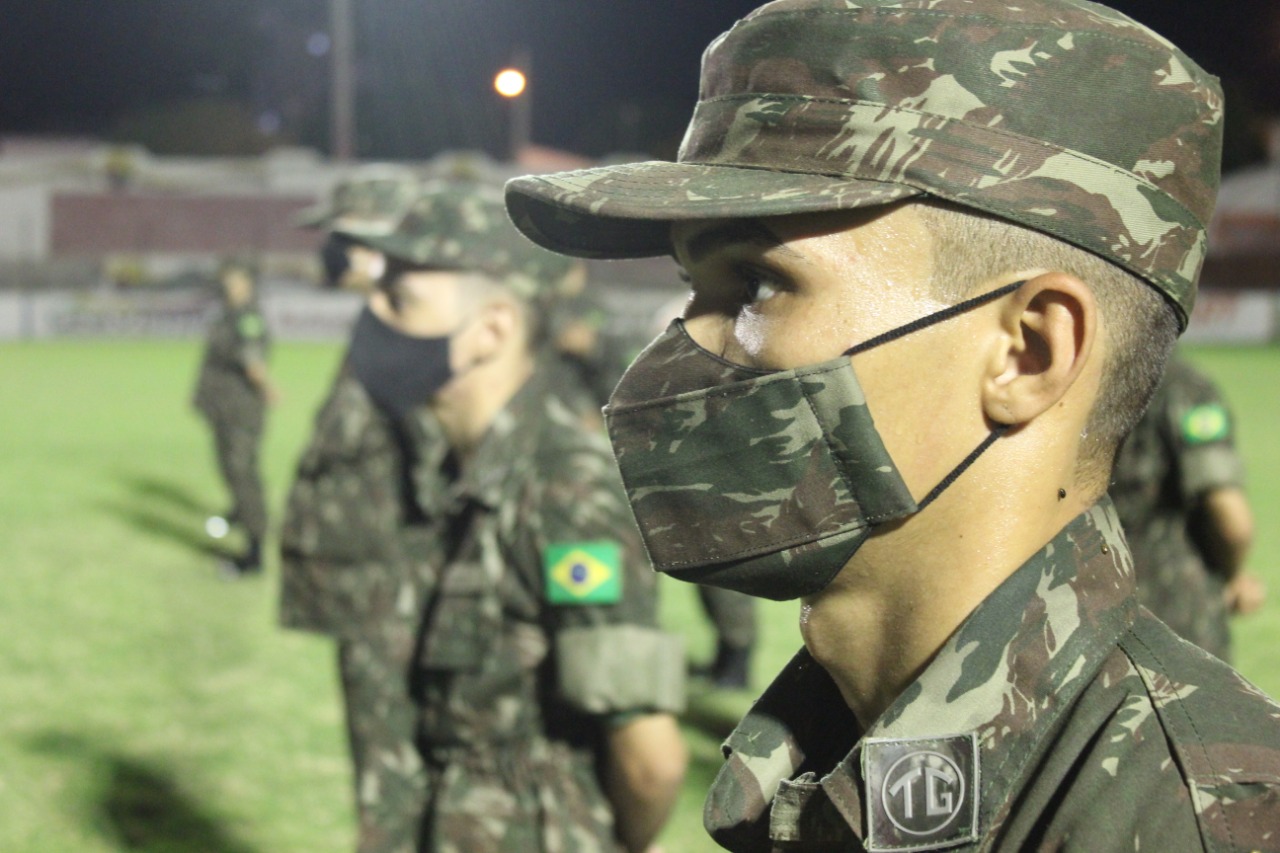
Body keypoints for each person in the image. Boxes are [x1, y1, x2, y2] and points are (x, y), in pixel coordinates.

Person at [504, 1, 1280, 849]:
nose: (675, 351)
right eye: (693, 287)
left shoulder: (1204, 820)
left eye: (756, 285)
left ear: (1027, 353)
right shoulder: (833, 746)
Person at [336, 179, 688, 853]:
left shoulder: (563, 486)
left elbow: (651, 759)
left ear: (491, 329)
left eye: (400, 298)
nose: (373, 315)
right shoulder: (446, 467)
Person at [278, 167, 427, 852]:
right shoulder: (387, 325)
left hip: (396, 593)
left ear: (374, 242)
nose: (328, 254)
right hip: (371, 587)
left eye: (338, 238)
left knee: (394, 779)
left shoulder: (416, 339)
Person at [1111, 350, 1266, 662]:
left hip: (1088, 604)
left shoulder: (1074, 383)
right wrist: (1234, 575)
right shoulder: (1183, 387)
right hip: (1179, 614)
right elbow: (1230, 518)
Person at [193, 255, 276, 576]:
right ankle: (239, 516)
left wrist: (267, 386)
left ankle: (254, 554)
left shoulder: (247, 317)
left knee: (243, 474)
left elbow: (253, 360)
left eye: (236, 279)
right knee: (230, 469)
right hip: (224, 407)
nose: (229, 285)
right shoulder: (228, 314)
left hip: (241, 409)